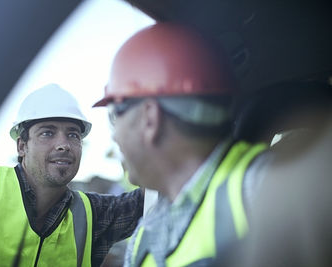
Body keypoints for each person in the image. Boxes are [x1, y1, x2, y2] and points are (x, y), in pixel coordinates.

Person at [93, 22, 270, 266]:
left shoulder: (263, 187)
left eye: (116, 115)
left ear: (149, 118)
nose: (114, 136)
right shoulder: (143, 237)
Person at [0, 84, 143, 267]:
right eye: (47, 133)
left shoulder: (94, 216)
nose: (63, 145)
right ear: (22, 146)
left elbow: (156, 193)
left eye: (72, 134)